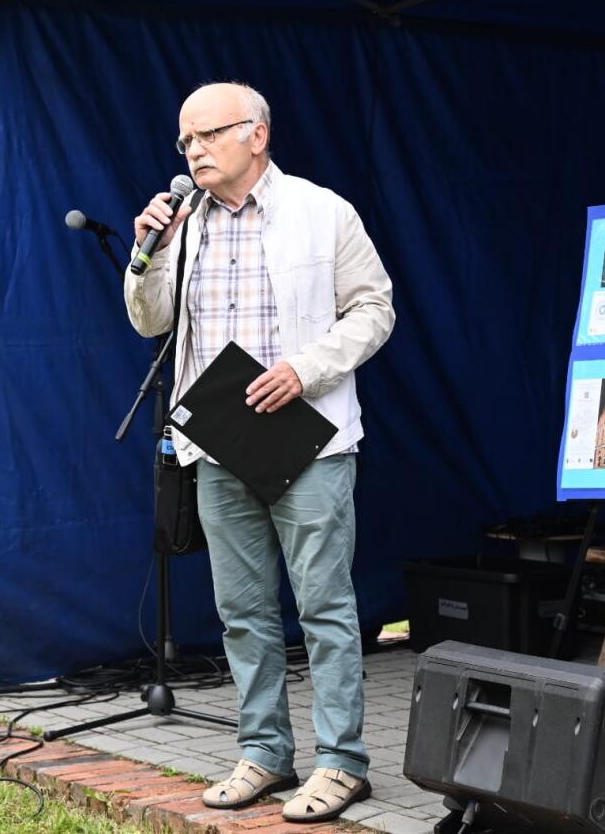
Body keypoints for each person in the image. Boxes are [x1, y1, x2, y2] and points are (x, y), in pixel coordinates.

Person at [125, 82, 394, 824]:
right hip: (216, 445)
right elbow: (146, 321)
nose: (194, 152)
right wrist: (151, 251)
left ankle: (341, 764)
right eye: (185, 142)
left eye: (207, 136)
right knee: (241, 610)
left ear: (257, 135)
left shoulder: (322, 211)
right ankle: (266, 753)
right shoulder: (185, 224)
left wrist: (306, 368)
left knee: (324, 608)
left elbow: (376, 308)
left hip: (310, 436)